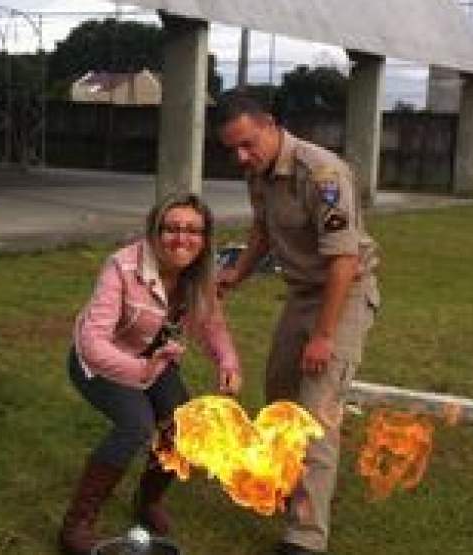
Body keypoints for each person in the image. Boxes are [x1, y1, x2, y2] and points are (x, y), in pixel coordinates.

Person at [215, 94, 380, 555]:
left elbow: (344, 260)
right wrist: (238, 273)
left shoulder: (322, 173)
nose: (241, 158)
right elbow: (263, 232)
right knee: (280, 398)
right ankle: (290, 491)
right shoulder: (259, 174)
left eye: (248, 144)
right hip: (302, 294)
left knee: (314, 414)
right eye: (233, 150)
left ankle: (305, 538)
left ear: (270, 125)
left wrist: (324, 336)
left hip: (342, 294)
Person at [59, 194, 243, 555]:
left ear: (204, 238)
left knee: (183, 425)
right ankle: (76, 525)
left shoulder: (200, 270)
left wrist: (228, 362)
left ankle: (147, 500)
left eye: (193, 230)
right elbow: (92, 341)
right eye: (171, 228)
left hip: (154, 359)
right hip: (100, 362)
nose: (181, 239)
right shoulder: (122, 267)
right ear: (155, 232)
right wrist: (142, 369)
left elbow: (212, 324)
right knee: (136, 426)